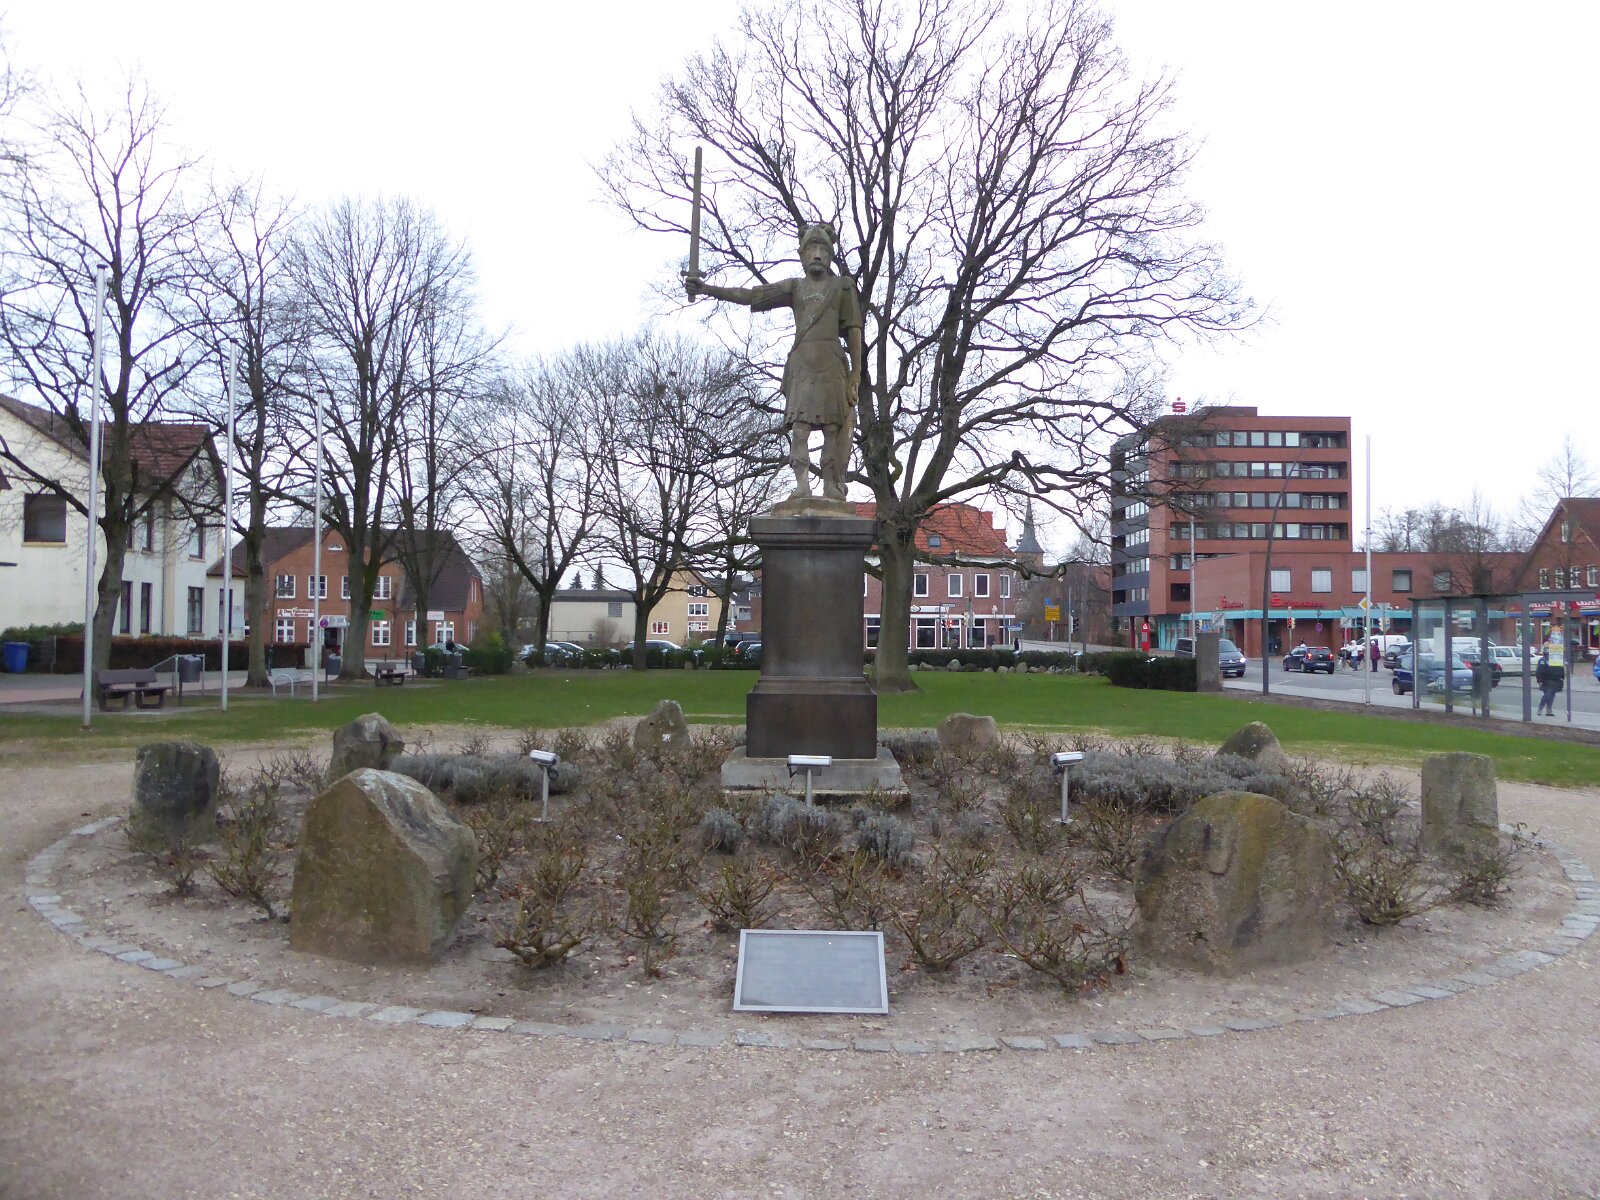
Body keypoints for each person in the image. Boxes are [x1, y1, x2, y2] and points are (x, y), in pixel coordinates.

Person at [686, 222, 863, 502]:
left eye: (823, 249)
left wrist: (857, 372)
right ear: (802, 255)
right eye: (811, 249)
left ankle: (830, 484)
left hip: (831, 364)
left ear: (831, 255)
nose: (817, 254)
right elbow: (752, 295)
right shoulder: (794, 287)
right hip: (802, 366)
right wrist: (707, 288)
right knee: (800, 429)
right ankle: (802, 484)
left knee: (832, 428)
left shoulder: (842, 287)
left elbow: (854, 329)